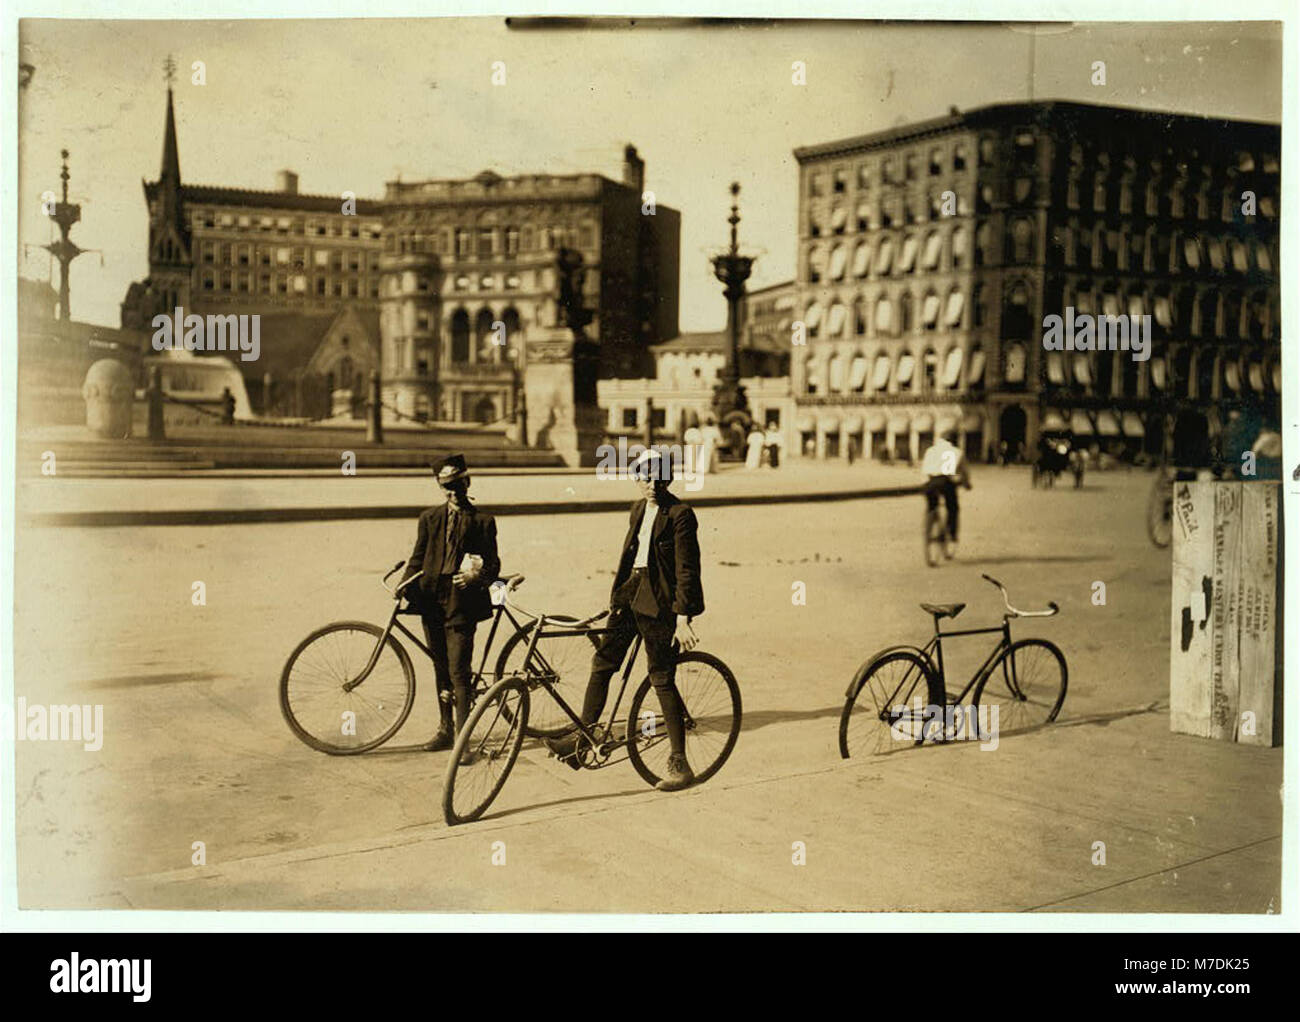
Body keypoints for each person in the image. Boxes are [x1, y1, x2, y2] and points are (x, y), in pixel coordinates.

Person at [547, 448, 703, 791]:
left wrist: (682, 618)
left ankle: (680, 761)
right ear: (636, 480)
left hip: (661, 604)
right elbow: (629, 556)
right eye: (645, 478)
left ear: (669, 479)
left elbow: (686, 570)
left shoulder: (680, 514)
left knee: (661, 677)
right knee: (602, 663)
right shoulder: (637, 509)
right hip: (632, 594)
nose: (651, 484)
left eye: (658, 478)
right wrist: (617, 597)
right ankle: (582, 739)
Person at [400, 454, 500, 753]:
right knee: (440, 666)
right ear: (439, 487)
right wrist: (404, 584)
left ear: (467, 482)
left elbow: (493, 564)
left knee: (459, 669)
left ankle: (463, 741)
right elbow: (417, 558)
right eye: (446, 486)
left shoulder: (483, 521)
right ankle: (446, 729)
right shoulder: (428, 519)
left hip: (462, 600)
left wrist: (474, 577)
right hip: (432, 597)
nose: (453, 491)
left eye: (457, 484)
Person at [920, 428, 971, 550]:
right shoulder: (957, 452)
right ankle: (952, 534)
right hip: (945, 482)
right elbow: (964, 473)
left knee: (931, 506)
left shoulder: (930, 451)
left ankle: (929, 522)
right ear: (954, 440)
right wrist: (966, 484)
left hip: (929, 483)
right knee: (953, 507)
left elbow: (924, 470)